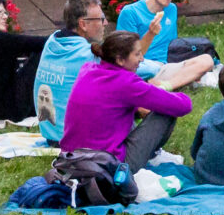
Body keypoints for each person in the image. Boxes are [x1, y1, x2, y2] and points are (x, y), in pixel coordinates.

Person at [35, 0, 213, 144]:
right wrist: (161, 87)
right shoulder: (92, 57)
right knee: (153, 105)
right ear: (83, 24)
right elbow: (146, 71)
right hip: (82, 141)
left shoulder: (52, 41)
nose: (105, 24)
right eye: (101, 19)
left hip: (53, 135)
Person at [61, 29, 196, 171]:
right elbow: (183, 105)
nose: (142, 59)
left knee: (133, 108)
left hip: (69, 160)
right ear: (120, 60)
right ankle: (154, 155)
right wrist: (160, 89)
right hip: (109, 166)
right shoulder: (127, 82)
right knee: (166, 110)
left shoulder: (88, 69)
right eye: (137, 54)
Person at [115, 0, 187, 63]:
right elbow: (128, 59)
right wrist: (151, 33)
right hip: (143, 64)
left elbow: (173, 45)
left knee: (206, 60)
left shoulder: (171, 9)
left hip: (171, 62)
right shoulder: (130, 13)